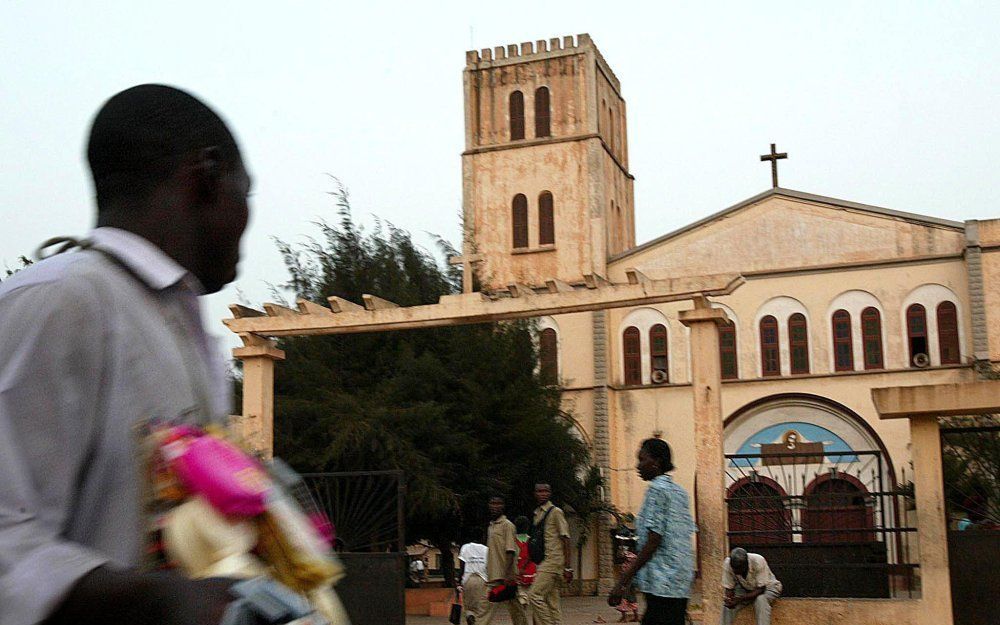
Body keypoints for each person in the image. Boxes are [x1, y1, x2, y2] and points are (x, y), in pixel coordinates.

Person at [0, 84, 251, 625]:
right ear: (205, 175)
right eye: (245, 193)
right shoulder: (60, 300)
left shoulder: (182, 326)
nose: (247, 219)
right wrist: (154, 599)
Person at [609, 438, 695, 625]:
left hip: (662, 581)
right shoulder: (680, 492)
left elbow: (653, 540)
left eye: (641, 460)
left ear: (656, 462)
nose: (637, 466)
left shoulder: (656, 490)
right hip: (680, 579)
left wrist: (623, 581)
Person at [476, 496, 526, 625]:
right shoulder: (491, 526)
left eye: (498, 504)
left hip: (504, 575)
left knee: (511, 608)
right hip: (494, 574)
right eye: (492, 503)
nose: (495, 506)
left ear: (503, 506)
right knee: (512, 607)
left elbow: (510, 551)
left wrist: (507, 574)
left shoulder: (507, 525)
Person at [527, 483, 573, 625]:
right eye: (539, 491)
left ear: (550, 493)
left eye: (545, 491)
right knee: (552, 602)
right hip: (543, 561)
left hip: (553, 561)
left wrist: (568, 567)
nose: (542, 494)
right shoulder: (537, 513)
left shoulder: (556, 512)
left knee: (534, 595)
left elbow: (566, 539)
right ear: (535, 493)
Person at [720, 548, 782, 625]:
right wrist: (729, 599)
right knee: (727, 607)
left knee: (761, 600)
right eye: (734, 568)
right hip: (745, 588)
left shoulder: (758, 561)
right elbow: (729, 588)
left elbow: (761, 589)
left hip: (768, 587)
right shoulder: (727, 564)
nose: (735, 571)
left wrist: (740, 599)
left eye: (738, 569)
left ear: (746, 565)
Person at [458, 538, 488, 625]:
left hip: (468, 579)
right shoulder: (486, 549)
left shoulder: (465, 547)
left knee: (468, 606)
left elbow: (462, 566)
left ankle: (470, 616)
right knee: (481, 606)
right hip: (482, 579)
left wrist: (459, 581)